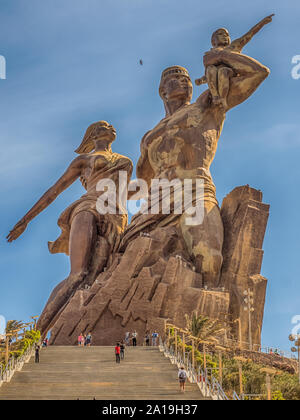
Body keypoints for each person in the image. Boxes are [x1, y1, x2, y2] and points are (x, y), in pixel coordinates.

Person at [7, 120, 133, 336]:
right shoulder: (84, 160)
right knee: (78, 274)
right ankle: (35, 335)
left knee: (100, 274)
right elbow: (54, 191)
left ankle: (81, 332)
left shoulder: (126, 161)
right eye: (104, 126)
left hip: (117, 216)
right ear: (93, 135)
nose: (111, 127)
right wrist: (26, 219)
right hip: (89, 208)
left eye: (112, 126)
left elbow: (128, 191)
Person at [195, 14, 274, 109]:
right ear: (213, 40)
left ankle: (223, 98)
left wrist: (262, 23)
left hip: (228, 73)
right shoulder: (209, 54)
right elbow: (209, 75)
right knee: (211, 69)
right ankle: (215, 97)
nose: (225, 36)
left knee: (223, 71)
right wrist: (202, 80)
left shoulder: (232, 47)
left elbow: (249, 35)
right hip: (214, 77)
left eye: (227, 35)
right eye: (221, 34)